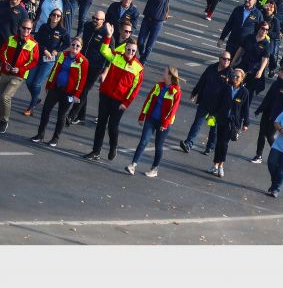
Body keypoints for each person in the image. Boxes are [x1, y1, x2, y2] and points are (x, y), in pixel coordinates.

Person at [83, 24, 145, 161]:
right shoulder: (116, 56)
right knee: (101, 124)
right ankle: (96, 151)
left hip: (119, 101)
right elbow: (104, 50)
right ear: (125, 49)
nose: (130, 52)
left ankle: (113, 146)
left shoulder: (138, 68)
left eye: (133, 51)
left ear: (136, 51)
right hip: (105, 95)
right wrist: (109, 37)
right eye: (128, 49)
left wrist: (126, 103)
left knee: (113, 126)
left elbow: (135, 89)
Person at [125, 67, 182, 177]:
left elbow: (173, 110)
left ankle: (154, 169)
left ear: (170, 75)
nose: (162, 73)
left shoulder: (176, 91)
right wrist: (142, 115)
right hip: (151, 119)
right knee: (143, 142)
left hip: (163, 123)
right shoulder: (158, 86)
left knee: (158, 146)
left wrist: (165, 124)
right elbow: (149, 100)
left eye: (164, 72)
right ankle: (133, 165)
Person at [31, 37, 87, 147]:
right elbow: (55, 69)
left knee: (61, 115)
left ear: (81, 48)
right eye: (73, 44)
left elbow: (82, 80)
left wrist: (76, 94)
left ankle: (55, 139)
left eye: (77, 46)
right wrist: (48, 84)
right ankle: (40, 135)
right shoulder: (63, 55)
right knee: (46, 110)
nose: (74, 47)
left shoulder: (83, 61)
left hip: (68, 93)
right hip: (56, 88)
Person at [0, 17, 38, 134]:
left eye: (29, 29)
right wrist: (6, 63)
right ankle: (0, 122)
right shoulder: (11, 39)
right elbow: (2, 52)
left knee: (5, 97)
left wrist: (20, 68)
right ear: (20, 28)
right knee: (2, 98)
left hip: (19, 75)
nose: (26, 31)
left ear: (31, 30)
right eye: (24, 28)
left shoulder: (33, 44)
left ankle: (4, 121)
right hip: (5, 72)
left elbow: (33, 61)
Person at [180, 52, 232, 154]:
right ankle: (189, 143)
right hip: (205, 102)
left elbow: (231, 91)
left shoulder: (230, 73)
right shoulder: (211, 68)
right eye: (224, 59)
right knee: (197, 123)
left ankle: (210, 147)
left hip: (216, 108)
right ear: (219, 58)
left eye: (228, 59)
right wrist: (195, 92)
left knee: (212, 126)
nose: (226, 61)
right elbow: (202, 80)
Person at [22, 8, 71, 115]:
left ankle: (31, 107)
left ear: (60, 18)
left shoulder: (63, 31)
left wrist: (56, 50)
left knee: (36, 84)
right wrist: (44, 50)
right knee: (29, 81)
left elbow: (67, 43)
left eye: (58, 16)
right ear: (50, 16)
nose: (55, 17)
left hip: (49, 61)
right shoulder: (44, 27)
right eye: (54, 15)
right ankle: (36, 98)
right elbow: (36, 40)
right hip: (38, 56)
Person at [252, 66, 283, 163]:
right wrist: (259, 109)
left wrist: (281, 118)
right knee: (261, 134)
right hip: (267, 112)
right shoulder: (276, 83)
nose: (278, 72)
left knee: (269, 135)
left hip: (277, 116)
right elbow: (268, 98)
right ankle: (258, 155)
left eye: (280, 70)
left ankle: (279, 155)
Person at [210, 69, 248, 179]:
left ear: (242, 79)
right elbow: (218, 101)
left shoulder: (244, 92)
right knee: (218, 142)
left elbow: (245, 108)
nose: (235, 78)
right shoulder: (226, 88)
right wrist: (212, 113)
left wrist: (246, 122)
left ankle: (221, 165)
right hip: (222, 118)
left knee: (224, 143)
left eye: (238, 77)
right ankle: (215, 165)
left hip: (233, 122)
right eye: (234, 76)